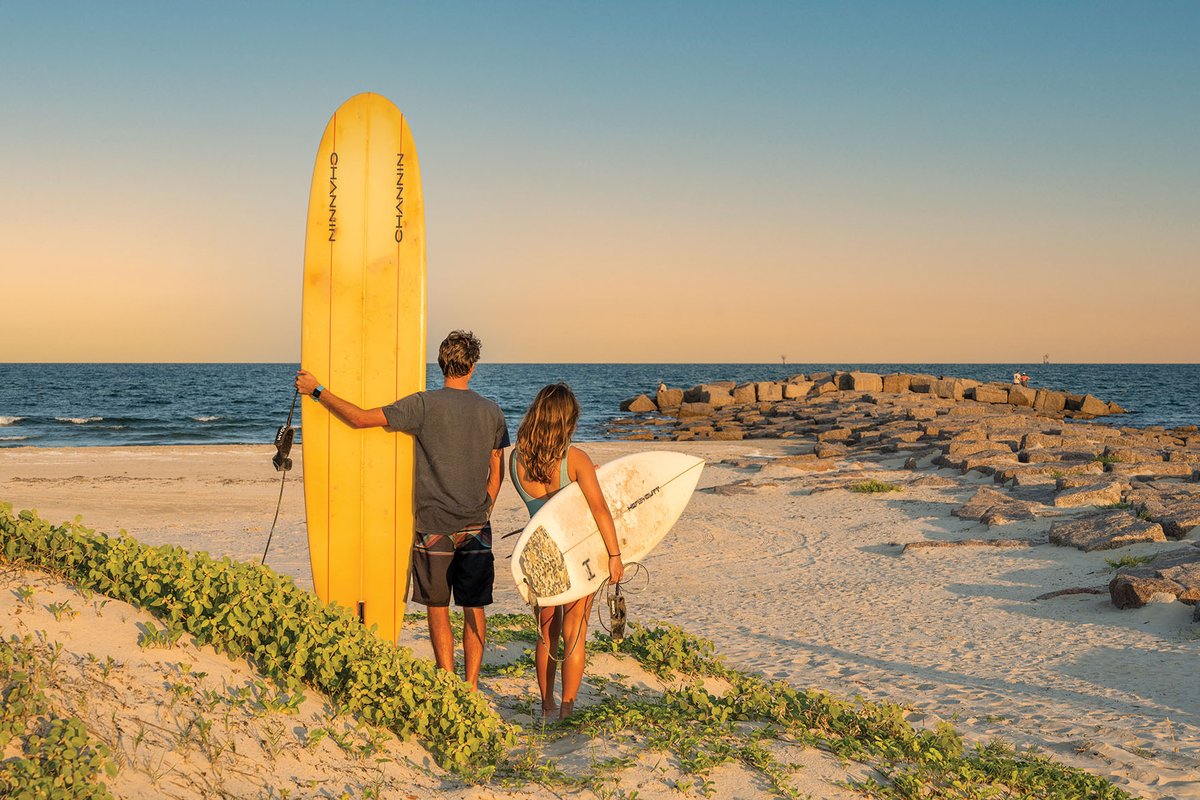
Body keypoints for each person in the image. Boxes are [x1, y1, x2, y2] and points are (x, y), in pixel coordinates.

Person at [295, 330, 509, 690]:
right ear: (472, 366)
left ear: (442, 363)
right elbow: (497, 468)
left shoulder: (422, 405)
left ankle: (446, 680)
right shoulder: (492, 411)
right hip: (476, 524)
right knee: (474, 606)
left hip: (434, 526)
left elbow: (360, 419)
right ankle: (471, 685)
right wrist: (486, 505)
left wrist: (317, 390)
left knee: (437, 606)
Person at [510, 383, 624, 720]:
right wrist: (615, 556)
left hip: (540, 555)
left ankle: (546, 706)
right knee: (575, 631)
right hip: (578, 554)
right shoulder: (575, 459)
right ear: (567, 420)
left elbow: (546, 509)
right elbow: (599, 510)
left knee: (548, 633)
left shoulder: (516, 458)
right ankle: (567, 709)